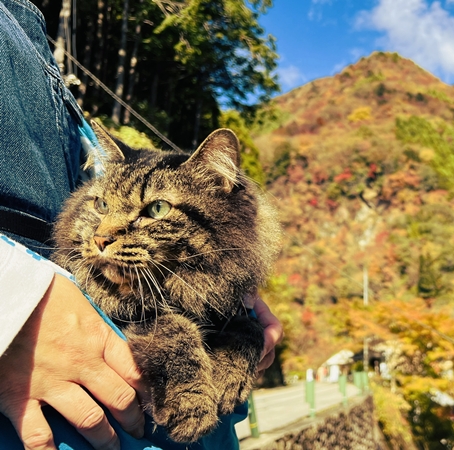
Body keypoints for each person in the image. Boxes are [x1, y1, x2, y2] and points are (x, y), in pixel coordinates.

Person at [0, 0, 283, 449]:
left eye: (152, 210)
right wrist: (12, 308)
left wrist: (237, 313)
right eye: (102, 207)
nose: (106, 232)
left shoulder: (27, 26)